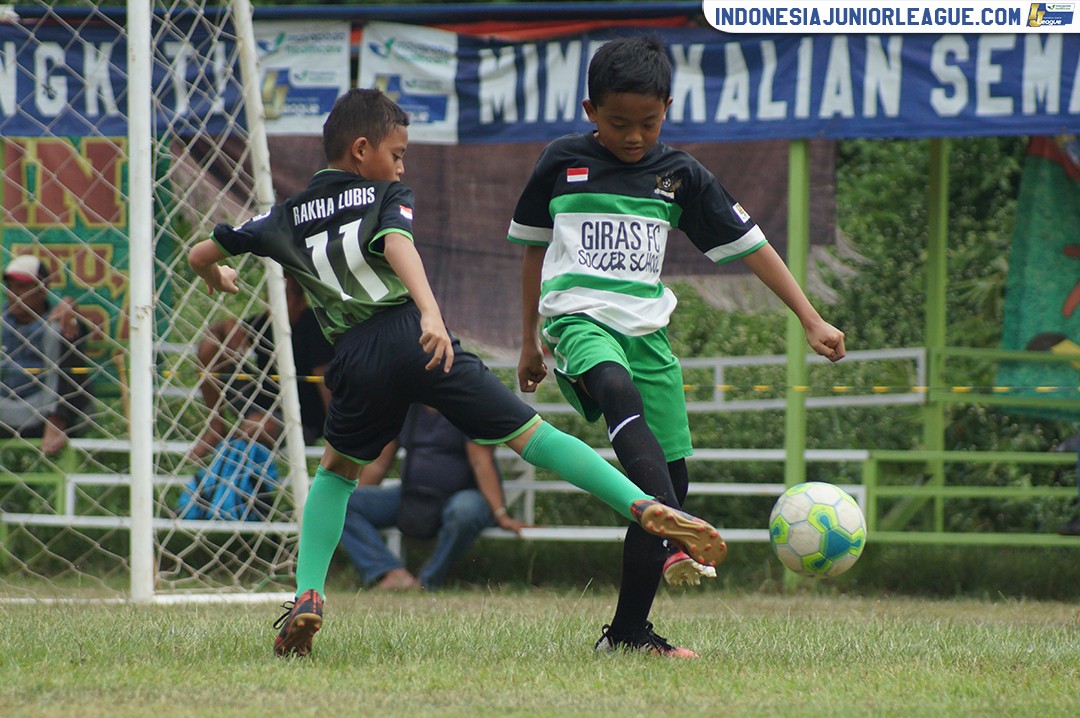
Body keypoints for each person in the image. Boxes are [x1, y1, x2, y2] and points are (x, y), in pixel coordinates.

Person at [187, 87, 727, 659]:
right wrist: (429, 313)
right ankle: (640, 505)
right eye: (396, 154)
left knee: (338, 475)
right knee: (533, 436)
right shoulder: (386, 195)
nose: (401, 165)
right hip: (414, 337)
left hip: (355, 360)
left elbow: (202, 253)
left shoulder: (282, 215)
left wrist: (215, 277)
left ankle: (308, 593)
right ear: (362, 149)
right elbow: (396, 243)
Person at [508, 36, 846, 659]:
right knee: (613, 388)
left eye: (648, 122)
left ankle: (630, 632)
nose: (634, 136)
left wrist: (810, 318)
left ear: (667, 106)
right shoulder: (560, 162)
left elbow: (752, 245)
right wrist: (528, 339)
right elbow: (533, 250)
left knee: (675, 479)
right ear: (590, 111)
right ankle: (671, 527)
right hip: (576, 319)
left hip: (648, 332)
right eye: (618, 123)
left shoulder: (680, 174)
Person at [340, 404, 526, 591]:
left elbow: (481, 462)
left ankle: (428, 581)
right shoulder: (402, 407)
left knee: (464, 511)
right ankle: (390, 572)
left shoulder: (469, 405)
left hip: (463, 495)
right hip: (412, 496)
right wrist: (361, 499)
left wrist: (501, 514)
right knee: (343, 503)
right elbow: (379, 463)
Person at [188, 273, 334, 460]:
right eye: (269, 299)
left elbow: (326, 385)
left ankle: (231, 448)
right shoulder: (265, 322)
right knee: (211, 343)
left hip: (301, 420)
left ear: (301, 302)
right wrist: (227, 325)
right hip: (261, 401)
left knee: (256, 426)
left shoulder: (314, 328)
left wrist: (335, 436)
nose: (273, 306)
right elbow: (226, 334)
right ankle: (216, 426)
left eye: (282, 299)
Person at [0, 254, 94, 456]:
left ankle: (57, 420)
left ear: (43, 289)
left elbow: (80, 333)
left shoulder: (59, 319)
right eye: (11, 286)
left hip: (44, 409)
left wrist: (72, 310)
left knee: (59, 333)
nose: (15, 293)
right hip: (5, 407)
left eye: (23, 287)